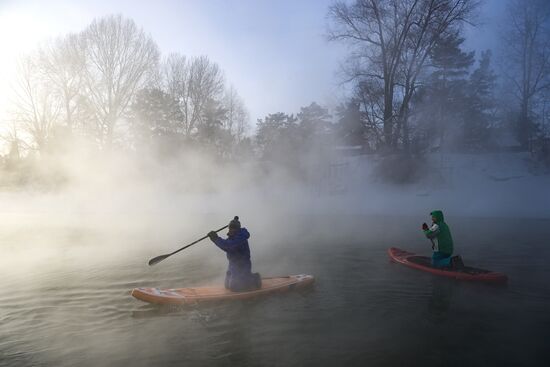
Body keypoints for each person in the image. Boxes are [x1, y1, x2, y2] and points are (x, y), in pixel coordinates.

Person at [207, 216, 262, 292]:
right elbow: (226, 244)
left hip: (242, 265)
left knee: (235, 287)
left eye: (233, 228)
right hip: (233, 265)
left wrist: (215, 238)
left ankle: (255, 278)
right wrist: (215, 238)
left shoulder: (240, 238)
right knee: (227, 285)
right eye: (230, 228)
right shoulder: (232, 236)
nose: (230, 230)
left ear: (237, 229)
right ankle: (245, 278)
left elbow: (228, 246)